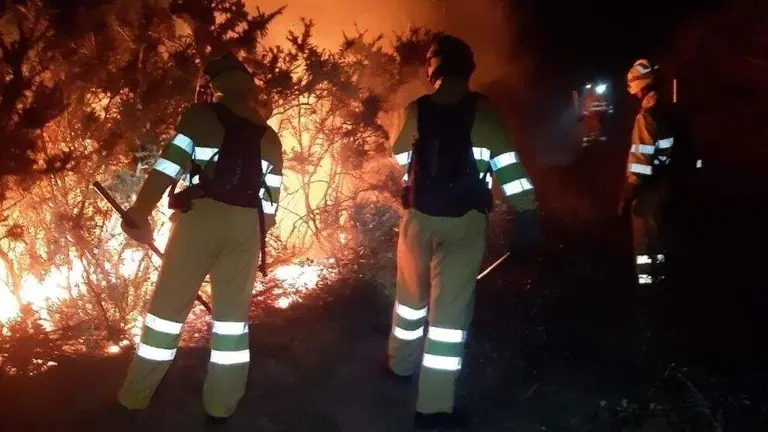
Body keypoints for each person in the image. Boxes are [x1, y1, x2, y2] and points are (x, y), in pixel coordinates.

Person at [117, 50, 283, 423]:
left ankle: (135, 398)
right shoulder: (271, 138)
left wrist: (139, 212)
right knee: (231, 322)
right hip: (246, 230)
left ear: (213, 85)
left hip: (199, 222)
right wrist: (244, 235)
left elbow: (165, 168)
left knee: (166, 314)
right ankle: (221, 406)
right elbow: (270, 211)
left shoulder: (199, 117)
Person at [386, 34, 540, 429]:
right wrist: (527, 214)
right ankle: (433, 408)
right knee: (448, 316)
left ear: (433, 70)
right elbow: (510, 172)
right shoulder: (485, 117)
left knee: (409, 299)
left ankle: (400, 366)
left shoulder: (416, 110)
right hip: (464, 226)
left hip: (418, 219)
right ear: (468, 70)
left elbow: (400, 155)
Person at [618, 59, 675, 289]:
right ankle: (662, 282)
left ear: (638, 86)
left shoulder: (646, 117)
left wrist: (626, 195)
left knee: (645, 244)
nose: (633, 95)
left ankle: (647, 288)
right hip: (664, 186)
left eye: (633, 90)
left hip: (647, 192)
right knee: (659, 240)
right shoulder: (664, 110)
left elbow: (640, 164)